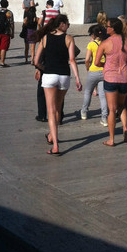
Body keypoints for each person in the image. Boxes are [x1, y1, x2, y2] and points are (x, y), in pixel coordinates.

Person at [35, 14, 81, 156]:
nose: (68, 25)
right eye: (67, 23)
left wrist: (43, 69)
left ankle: (55, 145)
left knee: (51, 111)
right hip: (64, 76)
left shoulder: (45, 38)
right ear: (62, 24)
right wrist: (78, 78)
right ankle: (51, 135)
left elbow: (36, 61)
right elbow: (72, 60)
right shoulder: (69, 38)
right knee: (58, 109)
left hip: (49, 76)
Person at [94, 17, 127, 147]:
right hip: (125, 77)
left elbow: (96, 62)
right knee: (121, 105)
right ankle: (125, 127)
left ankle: (111, 139)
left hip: (111, 78)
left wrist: (105, 65)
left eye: (108, 26)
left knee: (112, 109)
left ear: (113, 28)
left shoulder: (105, 43)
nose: (106, 28)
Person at [79, 24, 108, 125]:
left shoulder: (91, 45)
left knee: (88, 92)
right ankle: (104, 117)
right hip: (104, 71)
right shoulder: (106, 43)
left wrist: (87, 68)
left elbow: (87, 59)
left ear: (93, 35)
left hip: (93, 70)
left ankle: (84, 112)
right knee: (103, 96)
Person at [0, 0, 14, 68]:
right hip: (6, 32)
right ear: (7, 4)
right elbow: (11, 24)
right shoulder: (9, 13)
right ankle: (2, 62)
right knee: (3, 47)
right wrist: (12, 32)